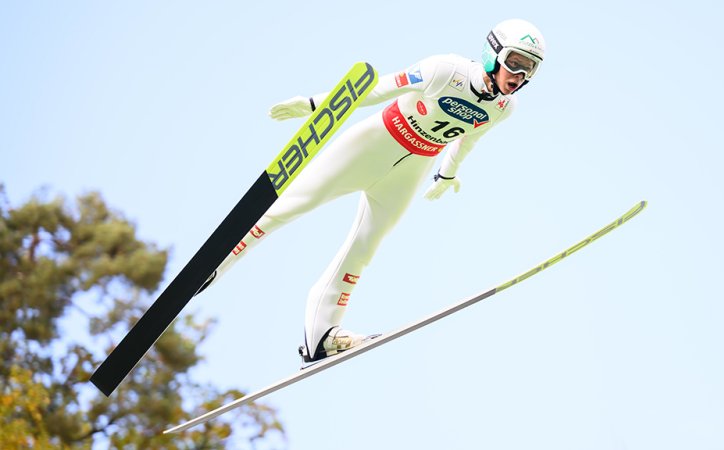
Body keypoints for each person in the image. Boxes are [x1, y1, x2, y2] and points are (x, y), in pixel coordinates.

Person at [198, 19, 546, 363]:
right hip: (373, 145)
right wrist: (315, 104)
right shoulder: (445, 70)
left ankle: (322, 334)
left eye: (529, 69)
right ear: (493, 53)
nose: (519, 75)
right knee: (292, 204)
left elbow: (468, 140)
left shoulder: (503, 108)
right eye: (515, 62)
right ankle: (216, 263)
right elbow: (377, 89)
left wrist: (446, 174)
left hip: (412, 169)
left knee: (365, 247)